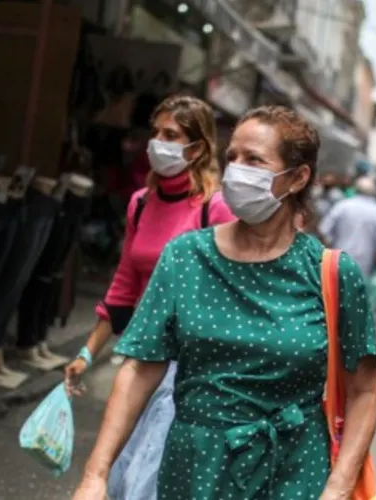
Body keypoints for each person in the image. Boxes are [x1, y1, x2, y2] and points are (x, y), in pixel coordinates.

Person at [72, 105, 376, 500]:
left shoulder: (333, 274)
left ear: (298, 177)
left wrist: (337, 488)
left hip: (292, 473)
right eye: (232, 157)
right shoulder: (185, 257)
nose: (237, 170)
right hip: (194, 469)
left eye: (254, 159)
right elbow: (139, 369)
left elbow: (365, 390)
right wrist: (95, 474)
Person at [63, 95, 234, 499]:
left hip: (186, 369)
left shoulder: (217, 209)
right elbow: (124, 284)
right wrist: (86, 353)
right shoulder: (141, 203)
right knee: (122, 471)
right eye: (156, 132)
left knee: (147, 478)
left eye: (171, 135)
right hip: (138, 360)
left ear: (198, 147)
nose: (158, 142)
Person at [318, 176, 376, 278]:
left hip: (337, 263)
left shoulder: (342, 206)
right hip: (364, 269)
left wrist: (328, 251)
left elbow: (323, 230)